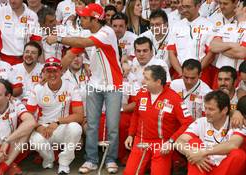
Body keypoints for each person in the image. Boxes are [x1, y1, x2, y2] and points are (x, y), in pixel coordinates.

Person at [46, 3, 123, 174]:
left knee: (112, 126)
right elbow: (70, 54)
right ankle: (91, 160)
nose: (80, 19)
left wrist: (59, 38)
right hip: (94, 85)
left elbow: (85, 42)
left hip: (113, 85)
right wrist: (56, 74)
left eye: (83, 17)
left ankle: (110, 159)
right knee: (92, 124)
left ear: (94, 19)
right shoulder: (87, 34)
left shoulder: (107, 32)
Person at [123, 65, 193, 174]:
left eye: (146, 79)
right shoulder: (142, 93)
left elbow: (188, 122)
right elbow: (136, 114)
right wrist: (130, 134)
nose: (142, 81)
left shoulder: (174, 98)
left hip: (161, 144)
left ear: (158, 82)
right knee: (129, 173)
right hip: (140, 140)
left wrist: (171, 141)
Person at [27, 57, 84, 174]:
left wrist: (58, 122)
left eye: (55, 71)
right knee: (36, 141)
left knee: (76, 128)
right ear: (43, 73)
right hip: (43, 127)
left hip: (62, 126)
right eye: (48, 71)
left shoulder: (71, 86)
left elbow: (79, 116)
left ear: (61, 71)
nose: (52, 74)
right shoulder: (37, 89)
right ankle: (49, 159)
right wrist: (38, 127)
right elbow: (27, 115)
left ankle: (64, 163)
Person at [175, 90, 246, 175]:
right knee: (193, 143)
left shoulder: (237, 122)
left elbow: (233, 144)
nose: (206, 113)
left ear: (224, 110)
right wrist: (192, 154)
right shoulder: (201, 121)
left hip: (224, 168)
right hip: (203, 166)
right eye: (206, 108)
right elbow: (179, 141)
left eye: (211, 109)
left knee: (238, 155)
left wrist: (204, 151)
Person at [0, 79, 36, 175]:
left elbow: (31, 122)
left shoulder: (15, 103)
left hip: (11, 150)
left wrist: (7, 140)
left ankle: (2, 168)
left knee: (27, 130)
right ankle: (9, 166)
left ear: (8, 96)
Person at [167, 0, 215, 86]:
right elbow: (171, 52)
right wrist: (182, 73)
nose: (184, 10)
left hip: (201, 74)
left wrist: (196, 72)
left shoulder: (209, 26)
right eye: (183, 6)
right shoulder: (177, 26)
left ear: (198, 6)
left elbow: (211, 53)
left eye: (188, 7)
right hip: (180, 74)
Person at [0, 0, 42, 65]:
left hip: (26, 60)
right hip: (3, 59)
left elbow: (36, 41)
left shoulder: (32, 15)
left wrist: (34, 60)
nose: (12, 1)